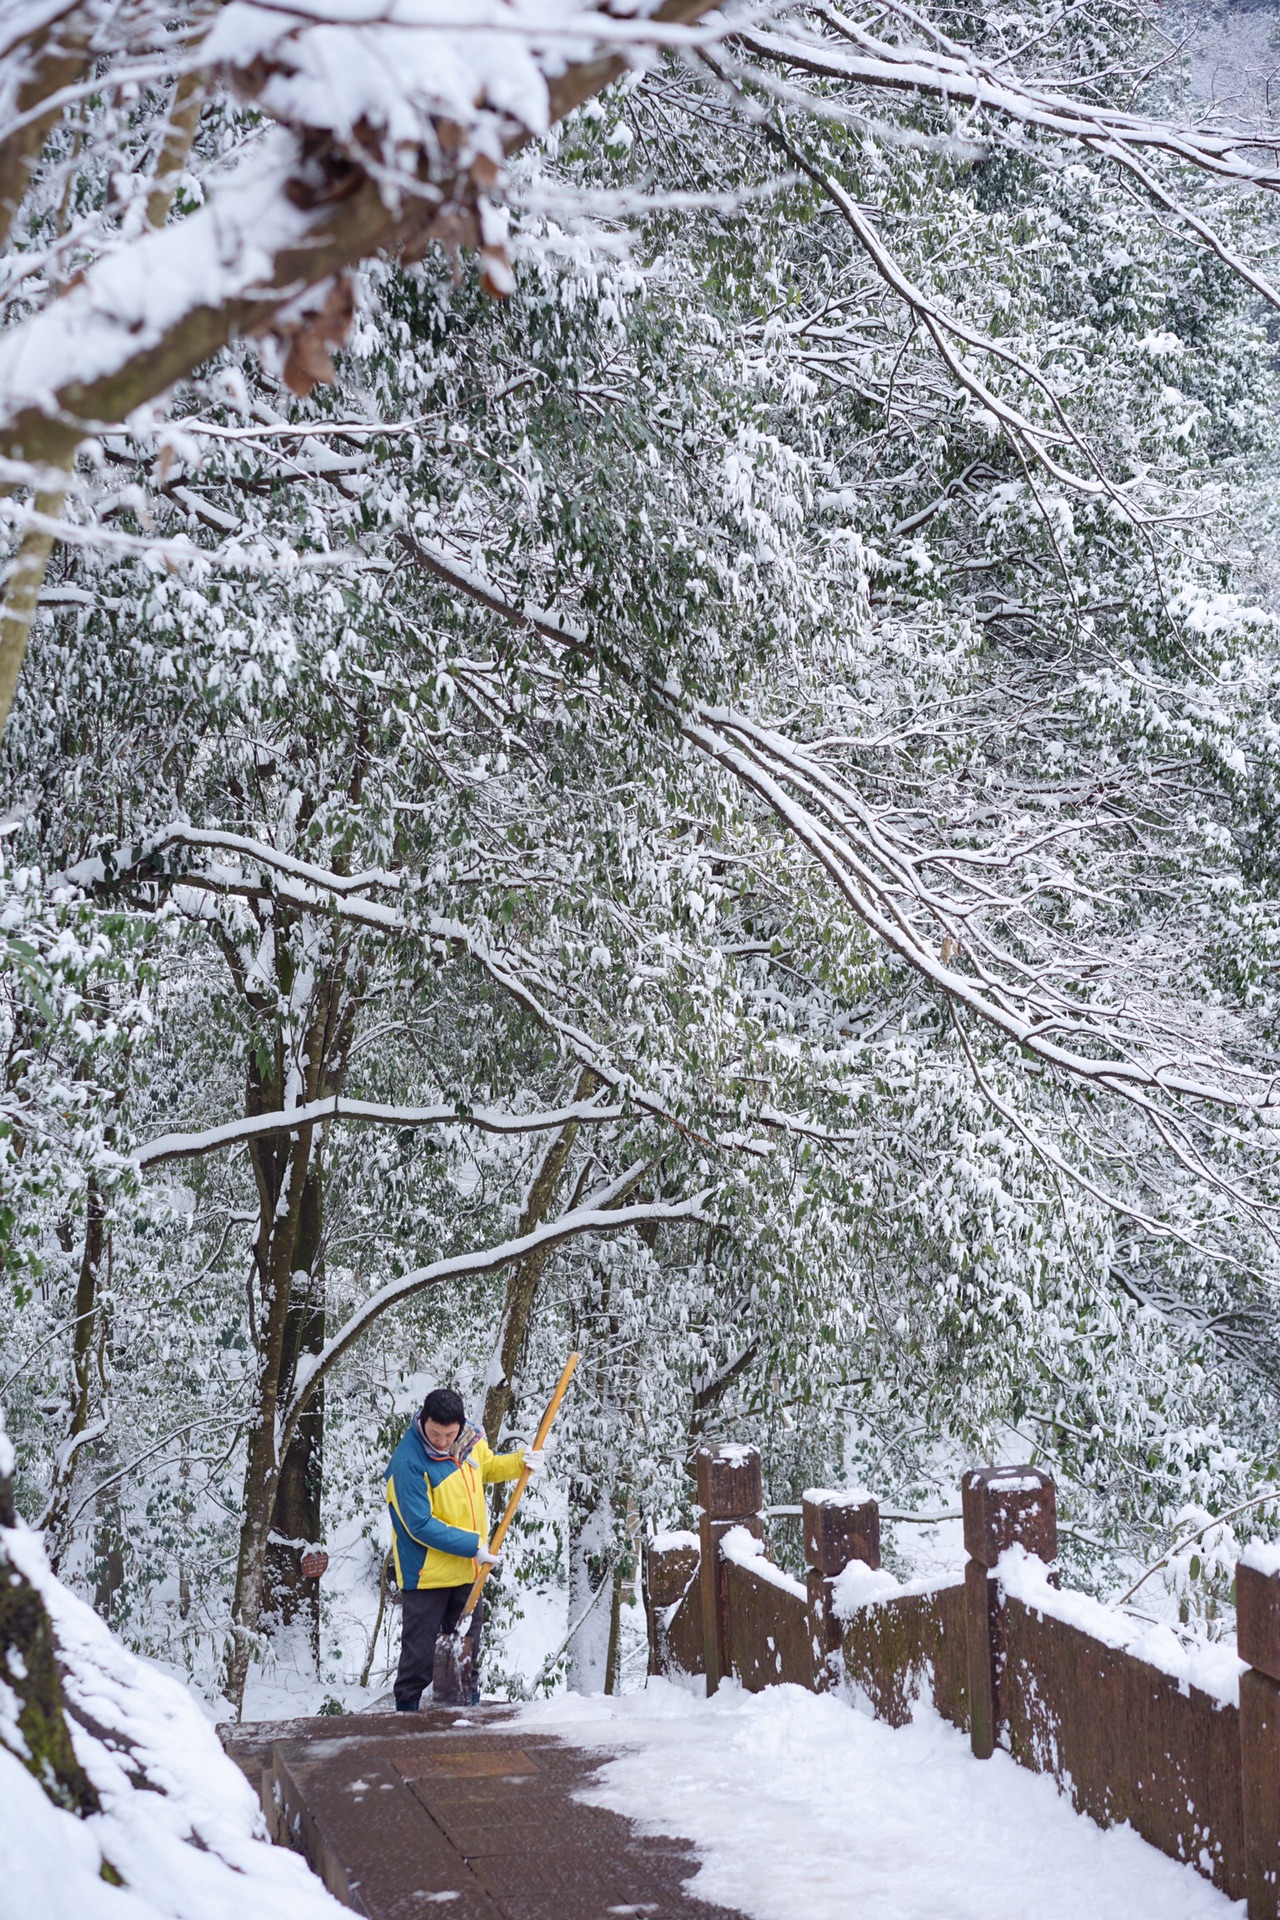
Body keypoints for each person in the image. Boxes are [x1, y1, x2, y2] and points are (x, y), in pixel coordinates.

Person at [385, 1385, 543, 1710]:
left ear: (460, 1426)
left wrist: (520, 1461)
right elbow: (419, 1525)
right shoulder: (408, 1463)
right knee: (418, 1656)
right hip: (427, 1574)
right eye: (435, 1433)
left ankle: (465, 1716)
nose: (442, 1441)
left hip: (468, 1571)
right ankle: (405, 1720)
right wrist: (473, 1545)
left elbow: (488, 1468)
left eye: (449, 1434)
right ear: (422, 1421)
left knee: (467, 1652)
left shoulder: (469, 1443)